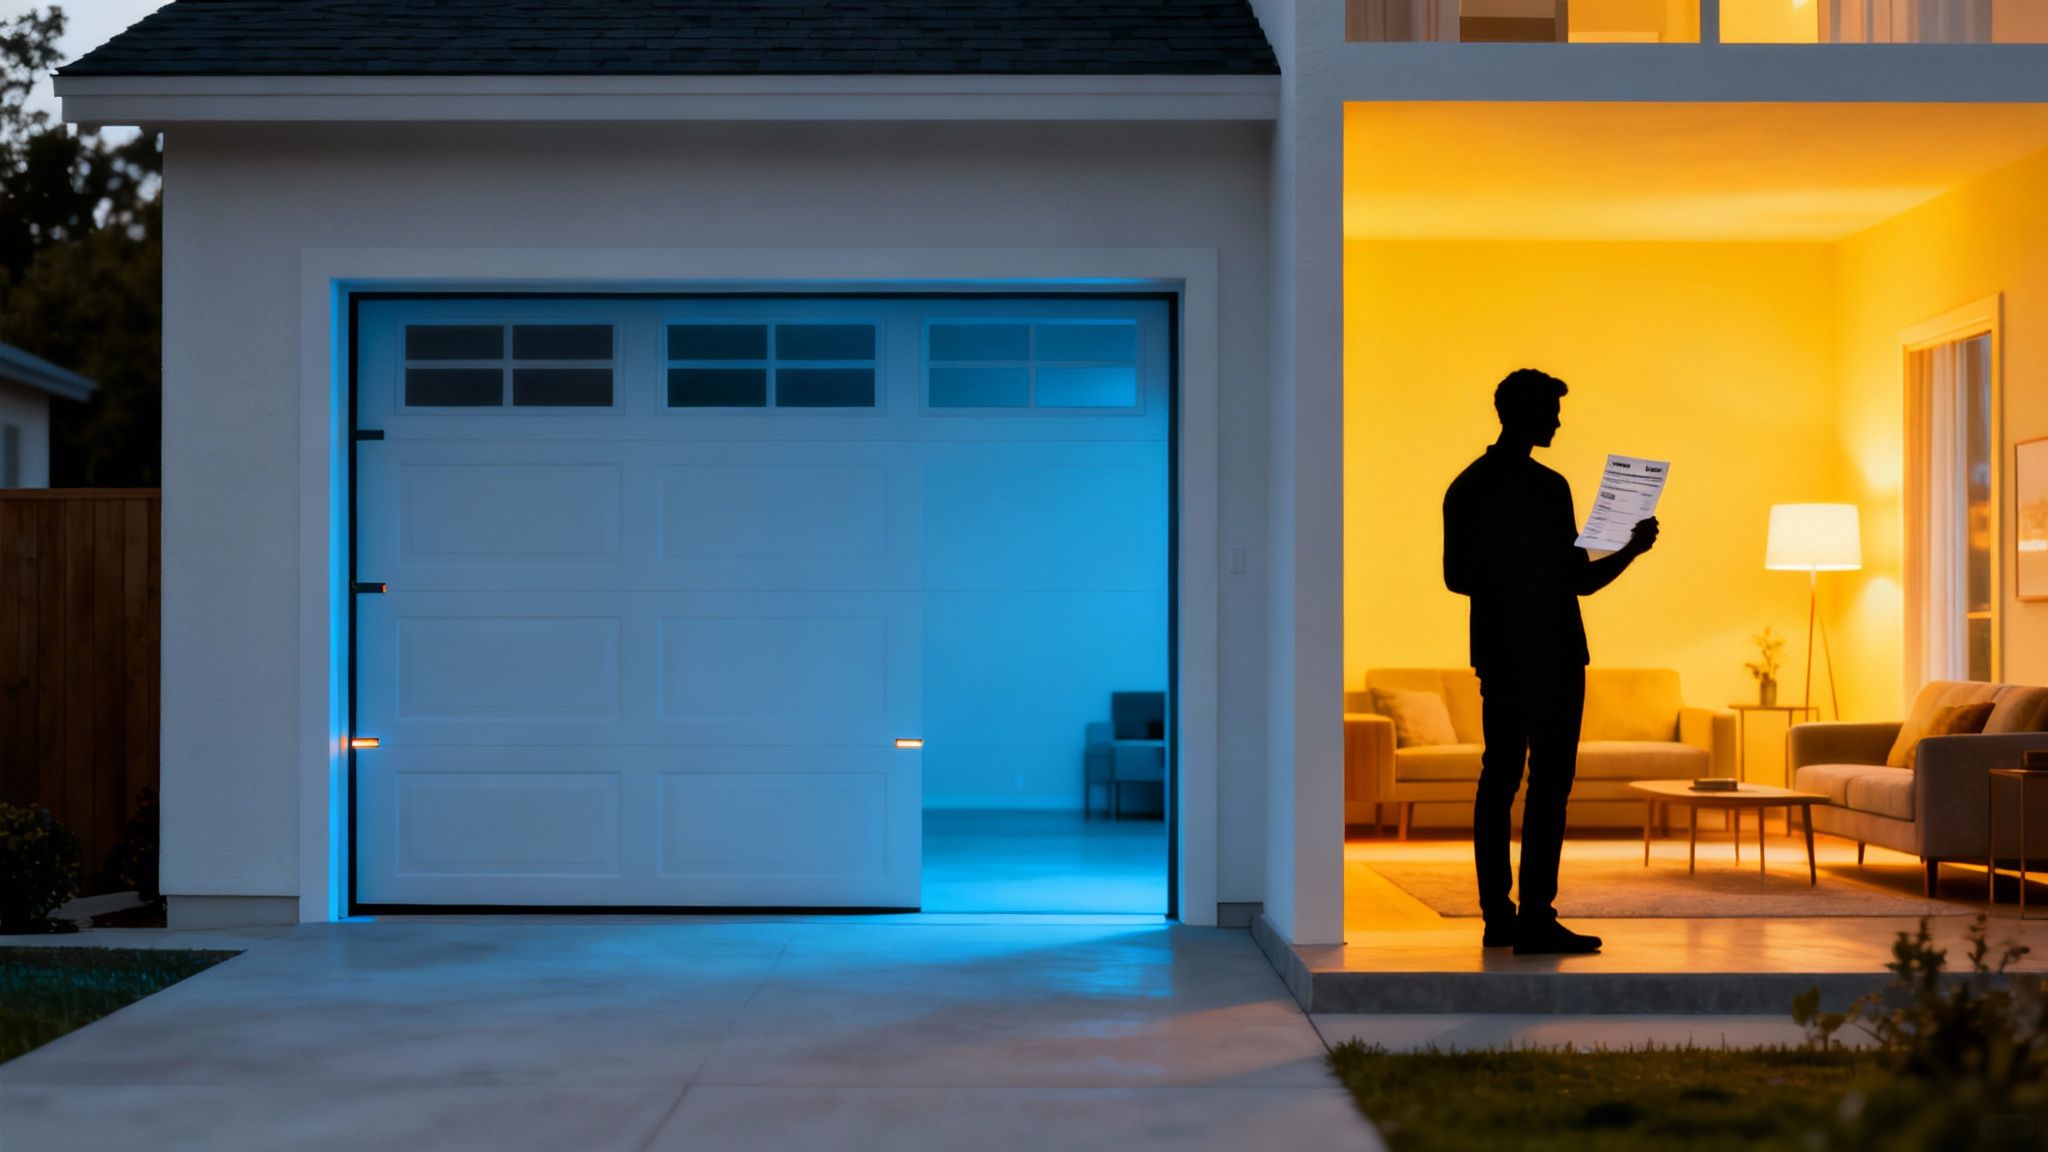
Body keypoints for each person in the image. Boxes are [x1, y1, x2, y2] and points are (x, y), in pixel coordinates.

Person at [1442, 368, 1659, 956]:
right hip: (1555, 653)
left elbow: (1457, 576)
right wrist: (1631, 551)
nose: (1559, 422)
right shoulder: (1548, 487)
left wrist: (1513, 578)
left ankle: (1499, 917)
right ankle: (1535, 916)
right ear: (1527, 414)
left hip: (1500, 653)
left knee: (1499, 780)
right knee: (1548, 786)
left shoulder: (1467, 485)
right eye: (1552, 412)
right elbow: (1579, 582)